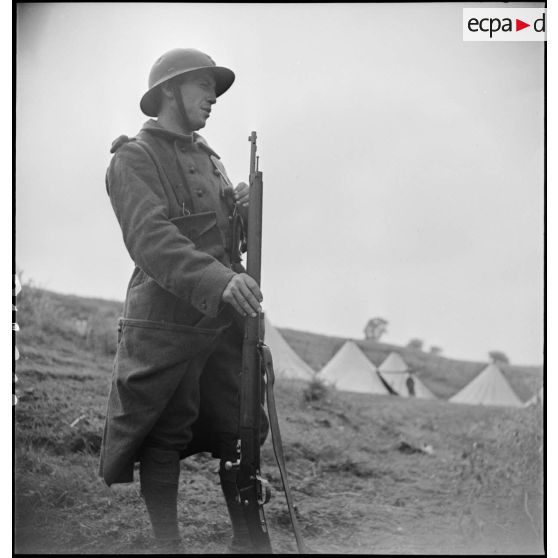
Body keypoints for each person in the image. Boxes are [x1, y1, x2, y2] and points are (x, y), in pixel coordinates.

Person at [98, 48, 269, 553]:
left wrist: (239, 213)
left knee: (240, 429)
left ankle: (247, 542)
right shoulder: (133, 158)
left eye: (214, 87)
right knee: (164, 435)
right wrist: (217, 279)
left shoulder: (210, 158)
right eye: (202, 85)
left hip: (223, 322)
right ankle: (168, 545)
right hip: (167, 324)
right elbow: (151, 237)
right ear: (169, 91)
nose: (213, 96)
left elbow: (221, 243)